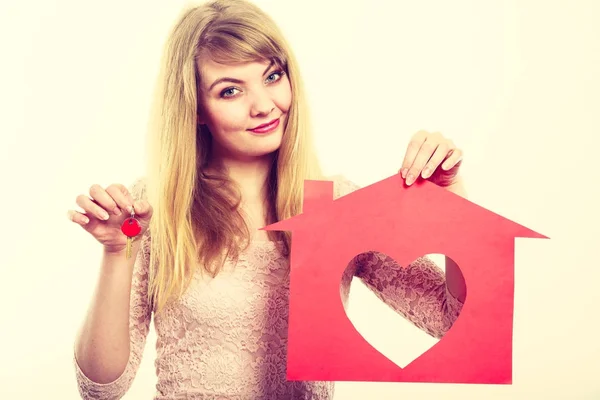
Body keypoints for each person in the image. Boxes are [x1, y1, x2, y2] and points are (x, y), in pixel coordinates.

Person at [68, 0, 467, 398]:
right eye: (230, 91)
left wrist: (453, 206)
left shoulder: (336, 206)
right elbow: (101, 388)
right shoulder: (156, 207)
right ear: (196, 109)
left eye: (272, 76)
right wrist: (115, 252)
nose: (263, 106)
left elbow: (454, 321)